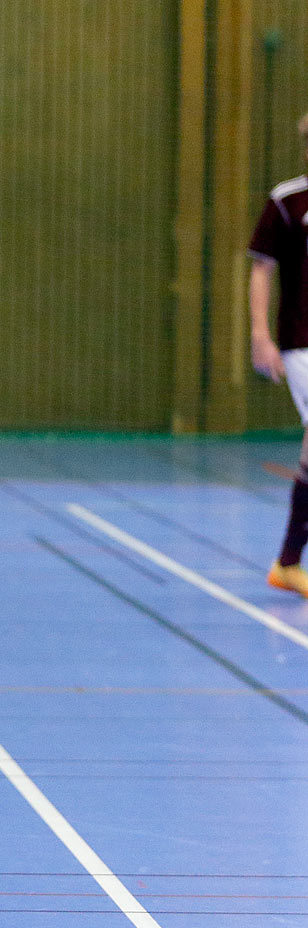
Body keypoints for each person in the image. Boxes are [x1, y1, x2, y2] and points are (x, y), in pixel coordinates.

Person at [251, 112, 308, 598]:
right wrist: (259, 335)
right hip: (302, 344)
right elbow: (262, 269)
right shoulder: (288, 201)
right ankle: (288, 561)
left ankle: (288, 562)